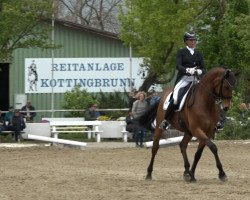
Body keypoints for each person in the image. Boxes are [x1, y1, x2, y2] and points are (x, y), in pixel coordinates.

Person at [160, 31, 206, 130]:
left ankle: (215, 120)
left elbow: (204, 69)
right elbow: (178, 66)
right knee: (176, 98)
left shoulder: (199, 54)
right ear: (186, 41)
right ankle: (166, 120)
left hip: (196, 79)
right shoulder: (181, 52)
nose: (193, 42)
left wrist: (199, 71)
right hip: (184, 79)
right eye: (191, 40)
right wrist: (187, 70)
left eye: (194, 40)